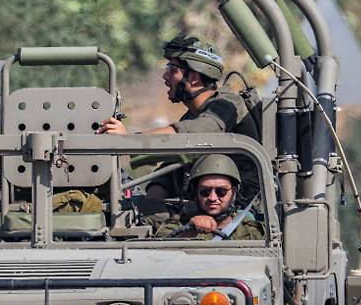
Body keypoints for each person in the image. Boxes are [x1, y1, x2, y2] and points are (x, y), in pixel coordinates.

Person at [98, 35, 259, 202]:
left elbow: (198, 133)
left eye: (172, 70)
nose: (165, 77)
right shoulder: (192, 115)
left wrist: (129, 142)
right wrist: (148, 205)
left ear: (194, 77)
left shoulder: (228, 104)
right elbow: (170, 172)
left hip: (237, 211)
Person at [155, 154, 264, 240]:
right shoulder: (176, 225)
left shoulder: (252, 232)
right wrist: (188, 231)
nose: (212, 197)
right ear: (196, 192)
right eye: (205, 191)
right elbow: (160, 248)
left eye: (221, 191)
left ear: (234, 191)